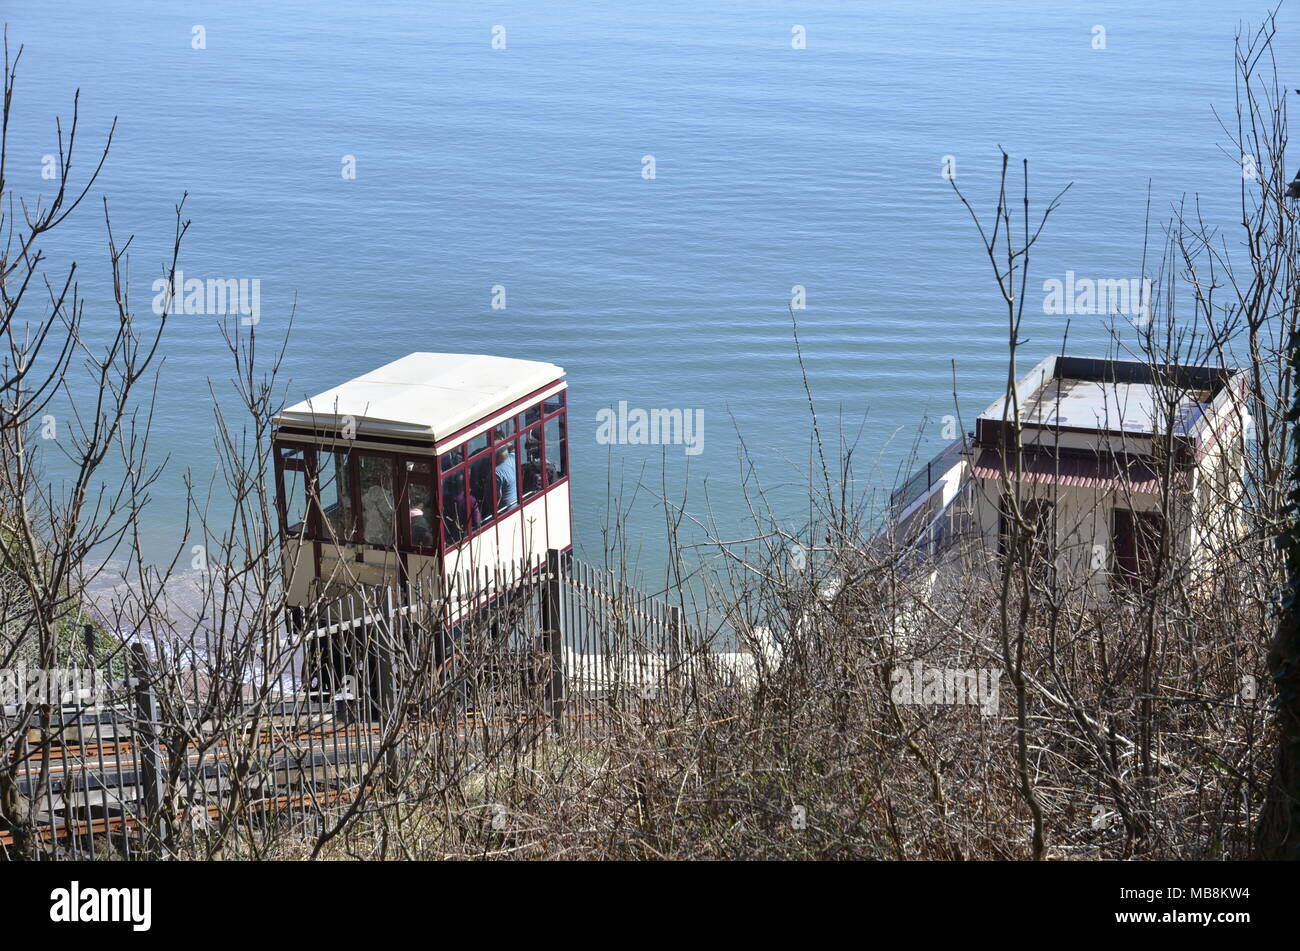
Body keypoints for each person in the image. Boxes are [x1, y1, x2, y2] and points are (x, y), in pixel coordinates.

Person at [495, 445, 518, 512]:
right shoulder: (513, 458)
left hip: (504, 511)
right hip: (515, 503)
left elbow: (497, 497)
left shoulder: (496, 472)